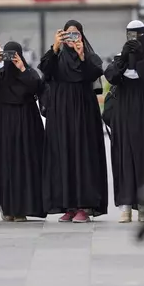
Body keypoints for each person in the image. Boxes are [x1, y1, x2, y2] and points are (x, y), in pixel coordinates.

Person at [38, 20, 108, 223]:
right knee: (62, 155)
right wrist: (55, 46)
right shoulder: (56, 55)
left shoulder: (88, 56)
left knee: (82, 155)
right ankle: (67, 205)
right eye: (68, 34)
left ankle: (83, 206)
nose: (72, 38)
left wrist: (81, 55)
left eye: (76, 34)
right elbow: (45, 70)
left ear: (82, 36)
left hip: (83, 112)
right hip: (60, 113)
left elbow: (94, 73)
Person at [104, 20, 144, 223]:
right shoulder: (121, 57)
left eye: (138, 35)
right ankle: (126, 206)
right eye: (131, 35)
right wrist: (124, 57)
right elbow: (111, 76)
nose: (134, 40)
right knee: (125, 156)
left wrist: (139, 58)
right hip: (124, 115)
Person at [0, 41, 46, 222]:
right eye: (7, 55)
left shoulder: (28, 73)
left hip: (27, 127)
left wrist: (23, 68)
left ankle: (23, 208)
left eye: (14, 55)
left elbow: (38, 87)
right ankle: (8, 207)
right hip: (3, 128)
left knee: (25, 165)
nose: (10, 59)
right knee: (4, 167)